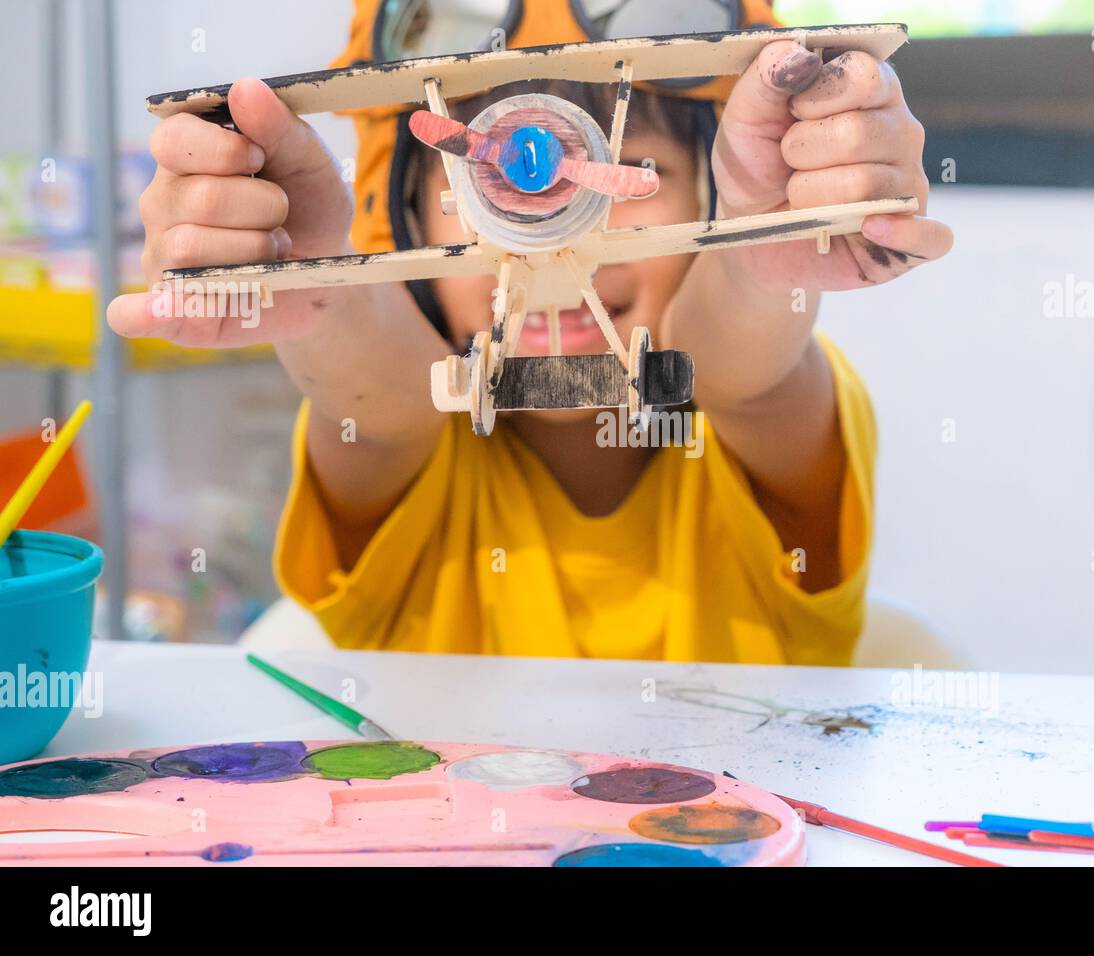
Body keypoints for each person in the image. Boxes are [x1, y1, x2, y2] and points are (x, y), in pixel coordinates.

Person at [108, 0, 952, 663]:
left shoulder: (755, 404)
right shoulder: (405, 435)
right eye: (485, 190)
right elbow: (377, 396)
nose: (548, 233)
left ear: (718, 198)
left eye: (628, 175)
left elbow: (743, 371)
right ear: (401, 221)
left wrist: (758, 254)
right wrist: (320, 293)